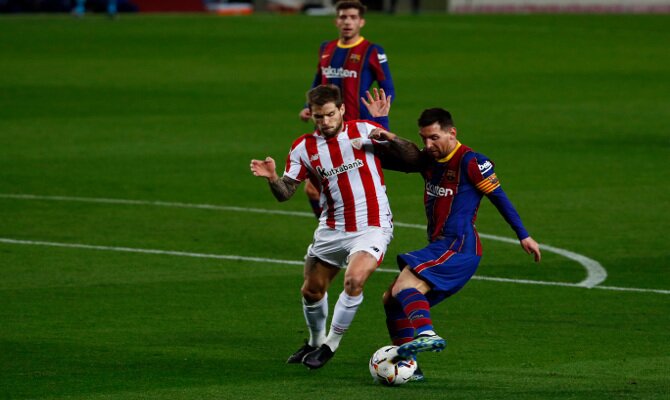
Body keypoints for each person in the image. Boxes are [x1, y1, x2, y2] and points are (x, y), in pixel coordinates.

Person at [370, 107, 541, 380]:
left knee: (403, 285)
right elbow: (387, 156)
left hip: (459, 246)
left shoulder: (471, 161)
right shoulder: (429, 159)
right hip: (443, 246)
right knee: (391, 300)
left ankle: (427, 333)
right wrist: (379, 123)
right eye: (424, 138)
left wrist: (523, 234)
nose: (428, 145)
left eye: (434, 137)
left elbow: (500, 197)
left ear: (452, 133)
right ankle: (412, 369)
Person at [250, 84, 396, 369]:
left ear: (341, 109)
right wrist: (271, 178)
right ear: (312, 115)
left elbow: (397, 153)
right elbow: (285, 193)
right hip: (332, 227)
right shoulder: (303, 147)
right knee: (311, 291)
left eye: (330, 114)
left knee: (354, 280)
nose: (326, 122)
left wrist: (383, 124)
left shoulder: (363, 130)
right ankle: (315, 341)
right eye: (319, 117)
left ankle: (330, 344)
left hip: (372, 225)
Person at [300, 0, 396, 218]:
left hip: (356, 133)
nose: (347, 22)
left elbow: (388, 87)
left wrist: (380, 115)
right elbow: (318, 80)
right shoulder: (326, 49)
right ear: (336, 20)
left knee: (363, 190)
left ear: (361, 22)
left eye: (353, 17)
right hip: (326, 131)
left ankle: (375, 227)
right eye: (343, 17)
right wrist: (308, 107)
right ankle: (331, 230)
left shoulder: (372, 51)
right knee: (313, 189)